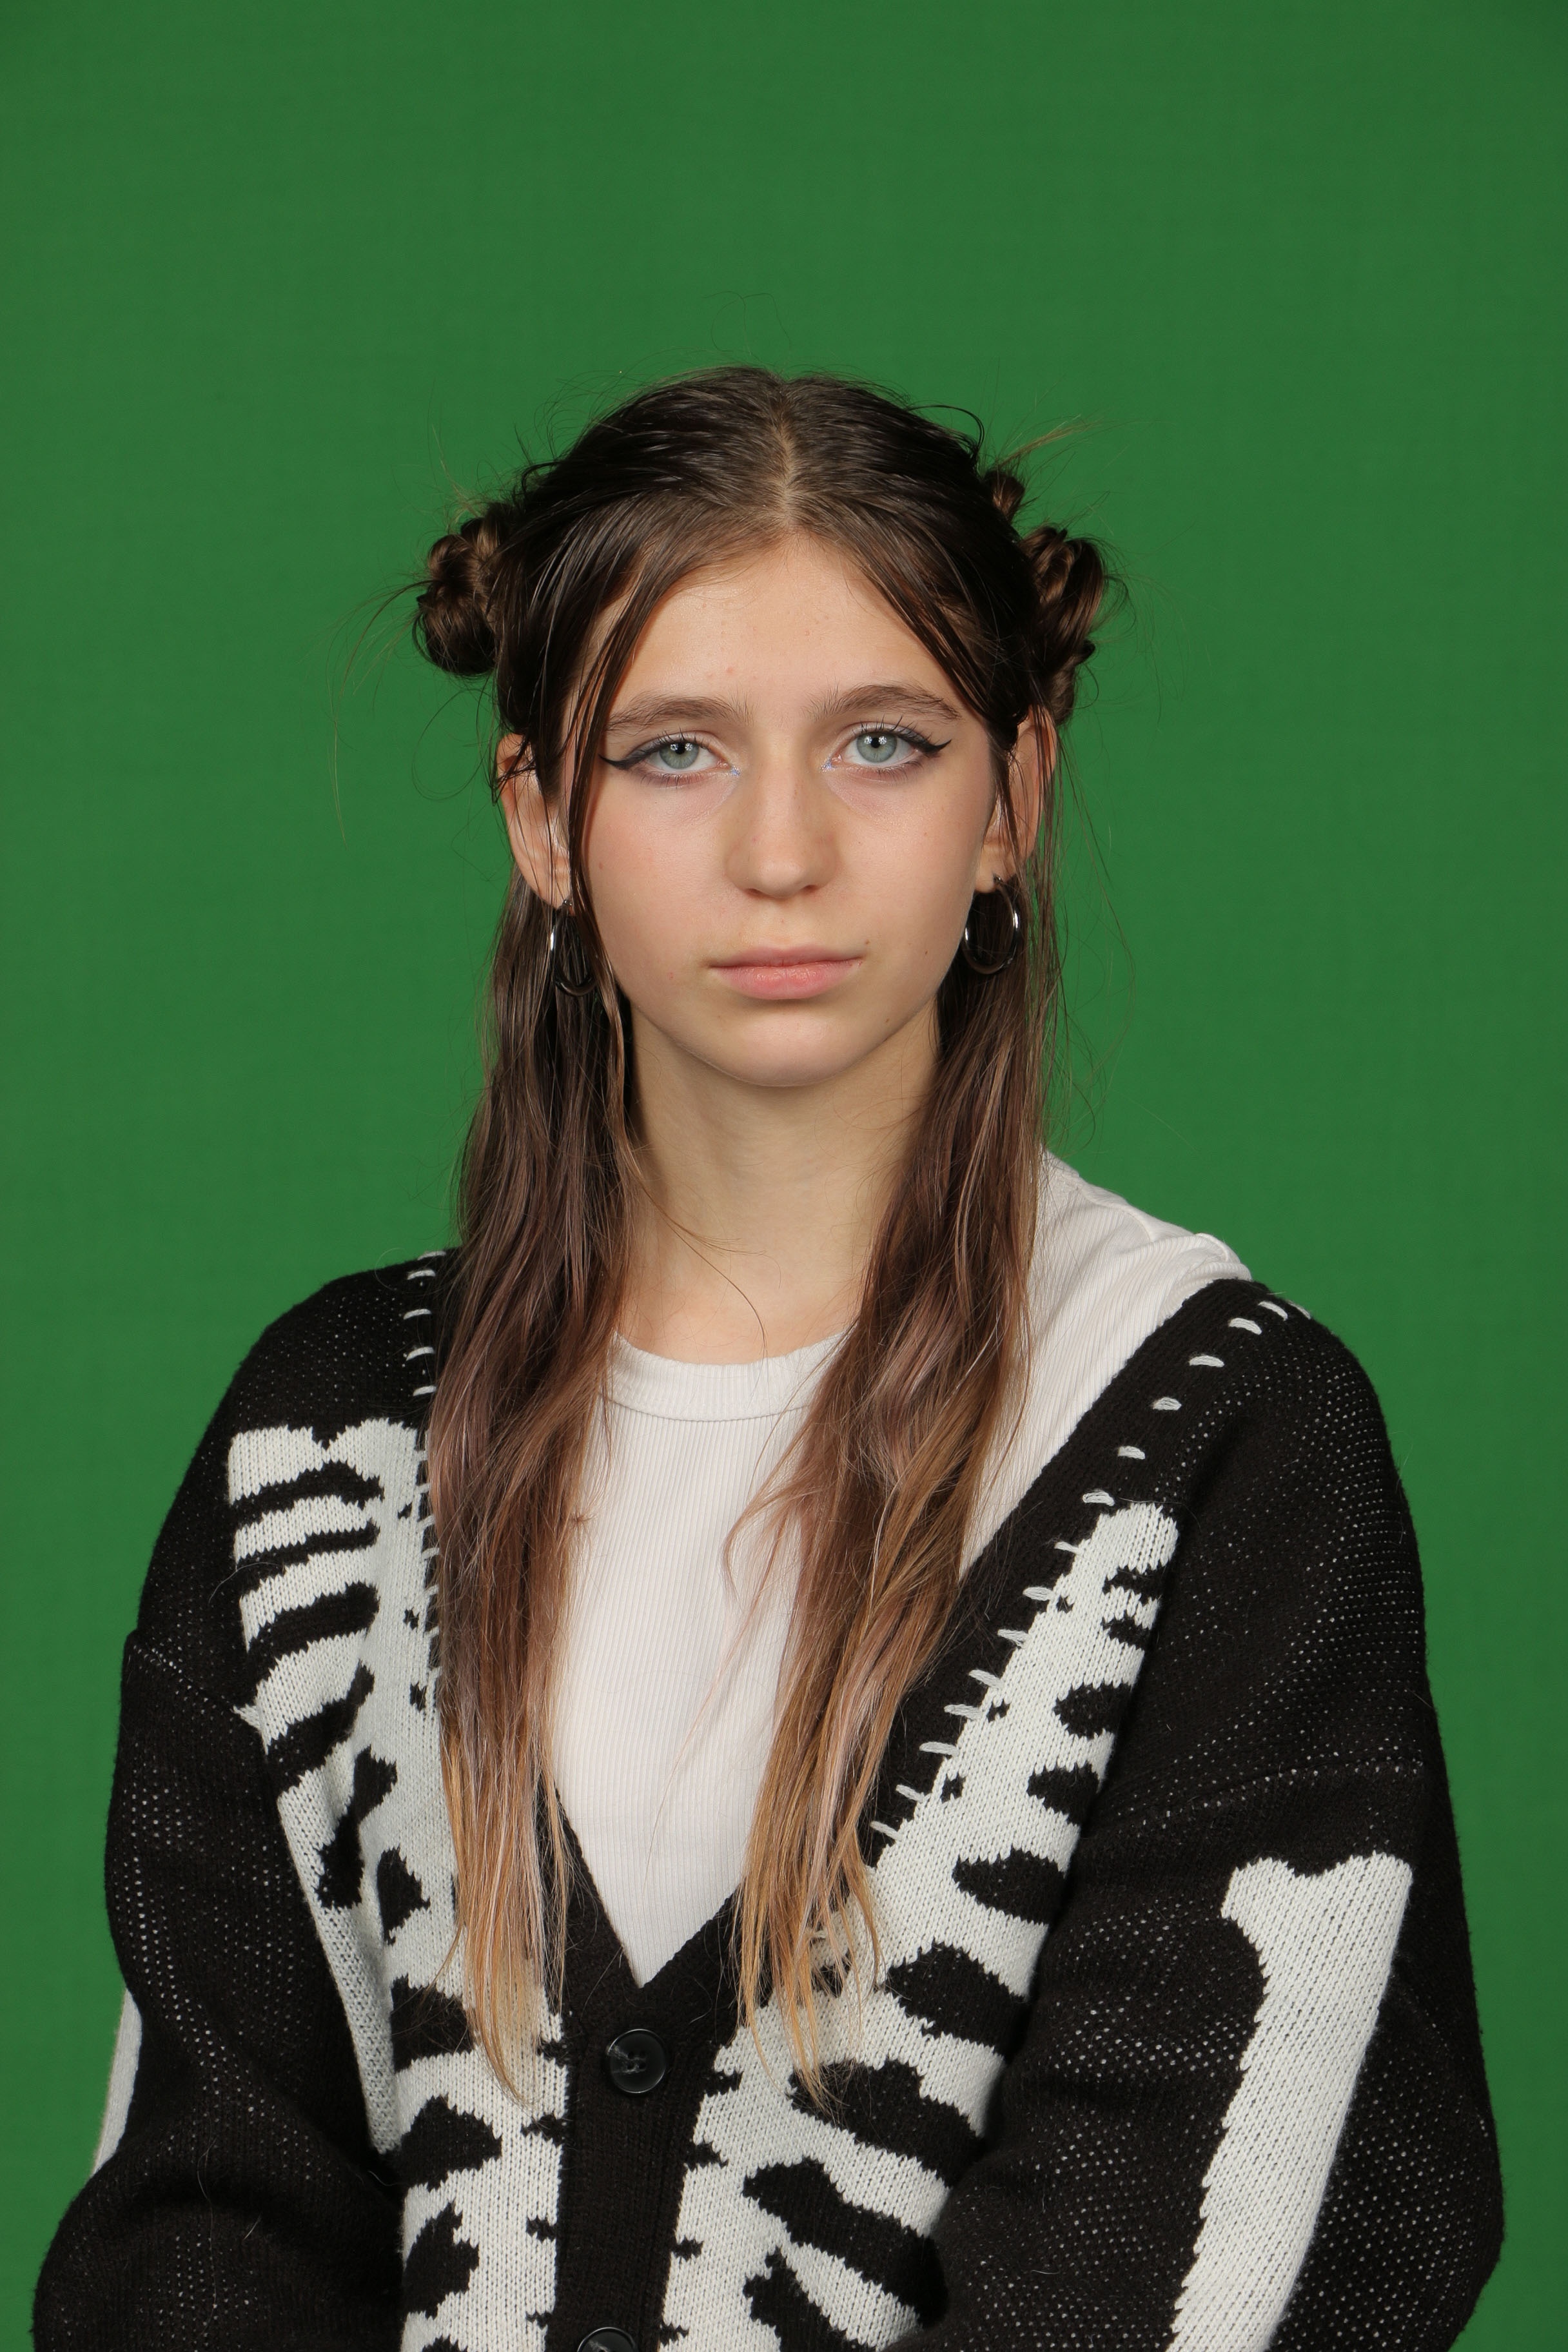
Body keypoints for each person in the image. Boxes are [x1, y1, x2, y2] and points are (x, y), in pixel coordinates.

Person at [36, 369, 1502, 2352]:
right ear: (541, 818)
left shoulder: (1220, 1442)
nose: (783, 849)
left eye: (884, 743)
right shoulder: (328, 1440)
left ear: (1014, 799)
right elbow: (206, 2213)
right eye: (675, 753)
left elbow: (1216, 2257)